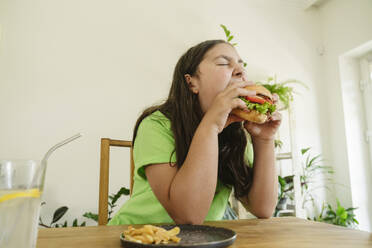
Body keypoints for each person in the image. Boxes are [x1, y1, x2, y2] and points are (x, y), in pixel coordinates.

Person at [108, 39, 281, 225]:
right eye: (224, 63)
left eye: (241, 65)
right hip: (136, 235)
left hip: (201, 240)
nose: (241, 71)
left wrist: (264, 140)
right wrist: (211, 125)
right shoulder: (156, 125)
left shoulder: (234, 133)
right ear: (192, 83)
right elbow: (188, 217)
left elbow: (262, 208)